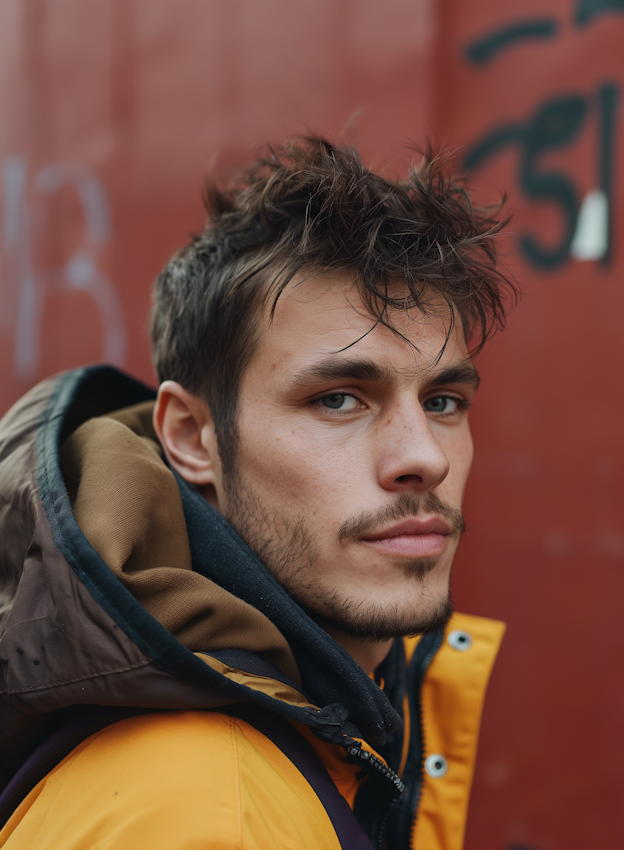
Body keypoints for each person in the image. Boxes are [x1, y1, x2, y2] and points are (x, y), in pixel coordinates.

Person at [0, 138, 514, 849]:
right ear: (191, 436)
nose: (423, 457)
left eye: (445, 400)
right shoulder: (204, 813)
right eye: (338, 399)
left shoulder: (337, 722)